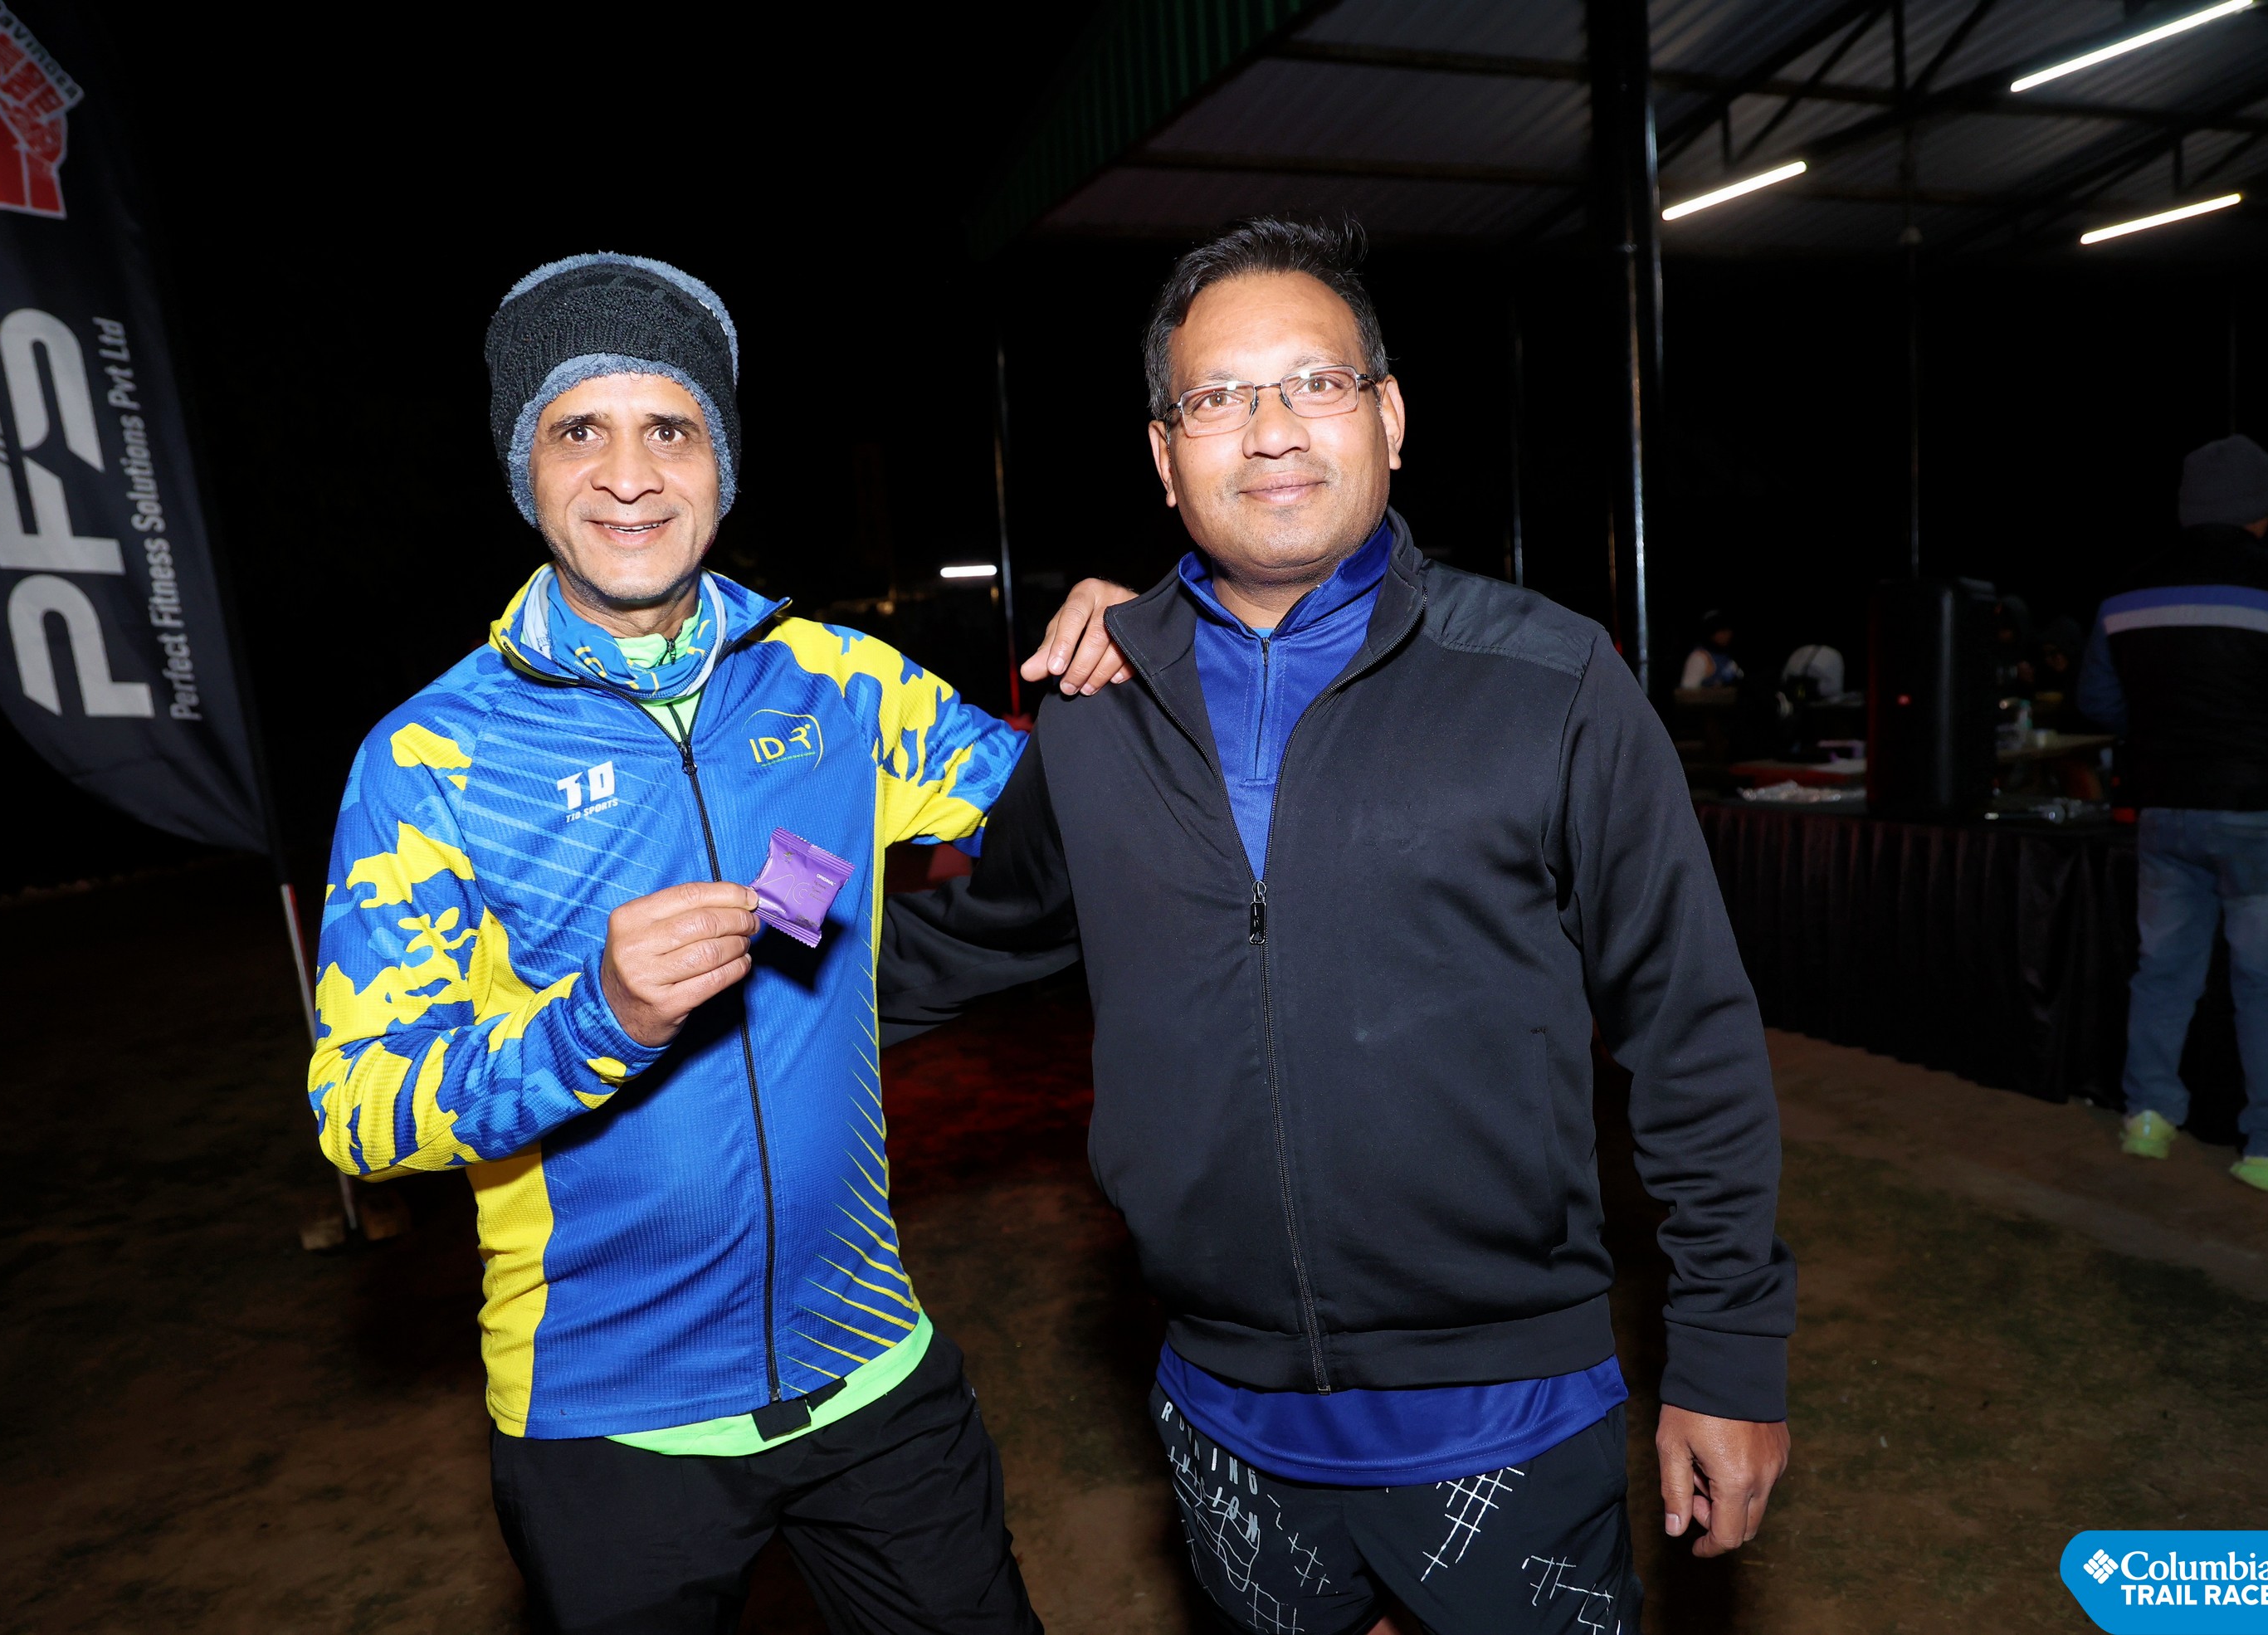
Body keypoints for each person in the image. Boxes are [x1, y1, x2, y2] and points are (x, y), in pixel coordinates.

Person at [882, 219, 1793, 1635]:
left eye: (1313, 382)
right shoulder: (1097, 714)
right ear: (1164, 456)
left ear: (1389, 416)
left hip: (1507, 1407)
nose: (1270, 430)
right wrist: (700, 980)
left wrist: (1728, 1351)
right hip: (1221, 1409)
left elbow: (1688, 1028)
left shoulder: (1548, 681)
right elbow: (973, 937)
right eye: (1216, 398)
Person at [306, 251, 1129, 1633]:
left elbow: (1077, 812)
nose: (630, 474)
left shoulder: (833, 680)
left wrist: (1142, 657)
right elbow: (360, 1107)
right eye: (580, 428)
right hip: (608, 1422)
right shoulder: (433, 757)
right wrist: (594, 1023)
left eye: (671, 428)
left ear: (723, 466)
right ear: (524, 468)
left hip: (872, 1369)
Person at [2080, 432, 2268, 1193]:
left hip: (2163, 808)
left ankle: (2147, 1117)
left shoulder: (2126, 593)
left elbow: (2097, 700)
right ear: (2262, 510)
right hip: (2262, 809)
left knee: (2163, 972)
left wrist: (2164, 731)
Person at [1679, 609, 1741, 689]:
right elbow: (1687, 693)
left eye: (1728, 630)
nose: (1726, 634)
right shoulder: (1699, 657)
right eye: (1721, 630)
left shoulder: (1727, 657)